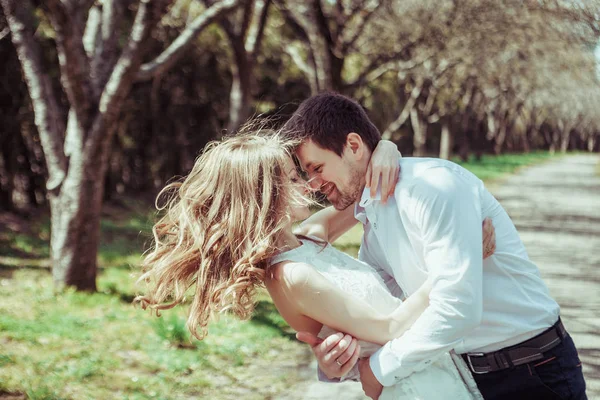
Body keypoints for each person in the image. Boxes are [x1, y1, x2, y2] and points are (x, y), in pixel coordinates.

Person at [134, 130, 496, 399]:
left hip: (429, 371)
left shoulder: (308, 235)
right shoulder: (291, 275)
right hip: (411, 388)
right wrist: (457, 262)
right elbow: (389, 327)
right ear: (265, 196)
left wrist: (384, 149)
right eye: (292, 179)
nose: (309, 184)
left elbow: (363, 193)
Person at [282, 92, 587, 400]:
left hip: (530, 372)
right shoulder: (370, 217)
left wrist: (379, 370)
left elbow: (458, 308)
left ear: (354, 146)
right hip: (458, 378)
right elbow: (391, 315)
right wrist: (340, 363)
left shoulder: (434, 187)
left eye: (317, 169)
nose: (313, 185)